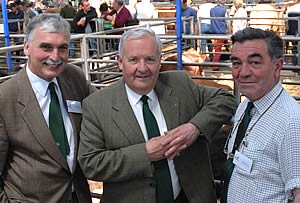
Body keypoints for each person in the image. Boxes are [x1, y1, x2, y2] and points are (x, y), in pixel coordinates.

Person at [78, 28, 237, 203]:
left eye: (150, 59)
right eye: (133, 60)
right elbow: (91, 163)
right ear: (120, 62)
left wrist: (194, 128)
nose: (142, 68)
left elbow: (225, 100)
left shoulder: (179, 84)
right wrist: (145, 153)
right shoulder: (97, 105)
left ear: (160, 61)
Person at [0, 13, 95, 203]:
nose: (55, 56)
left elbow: (105, 110)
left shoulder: (73, 78)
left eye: (63, 48)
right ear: (26, 47)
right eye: (46, 47)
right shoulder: (5, 98)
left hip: (78, 196)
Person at [222, 27, 300, 203]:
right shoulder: (246, 106)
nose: (243, 73)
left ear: (277, 66)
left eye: (255, 63)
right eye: (236, 63)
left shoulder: (292, 122)